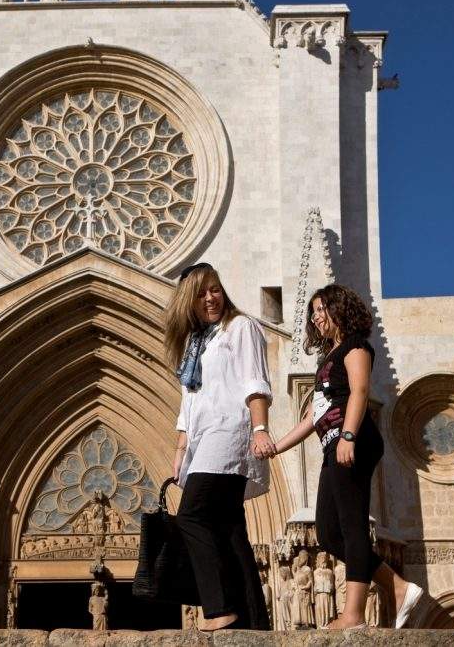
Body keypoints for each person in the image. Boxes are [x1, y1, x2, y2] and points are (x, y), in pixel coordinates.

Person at [266, 284, 424, 629]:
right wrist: (276, 448)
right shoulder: (328, 357)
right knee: (327, 532)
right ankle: (396, 587)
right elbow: (312, 416)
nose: (315, 317)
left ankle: (353, 615)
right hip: (332, 443)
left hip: (352, 438)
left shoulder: (356, 347)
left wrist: (348, 435)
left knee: (351, 525)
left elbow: (360, 391)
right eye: (313, 312)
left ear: (340, 310)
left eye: (321, 309)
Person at [167, 263, 274, 631]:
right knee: (230, 528)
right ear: (187, 302)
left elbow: (254, 380)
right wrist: (180, 451)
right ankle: (253, 620)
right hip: (204, 441)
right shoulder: (196, 344)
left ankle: (218, 609)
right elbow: (190, 404)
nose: (210, 298)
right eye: (200, 293)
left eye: (214, 289)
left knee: (192, 516)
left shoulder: (240, 327)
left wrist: (260, 428)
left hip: (230, 433)